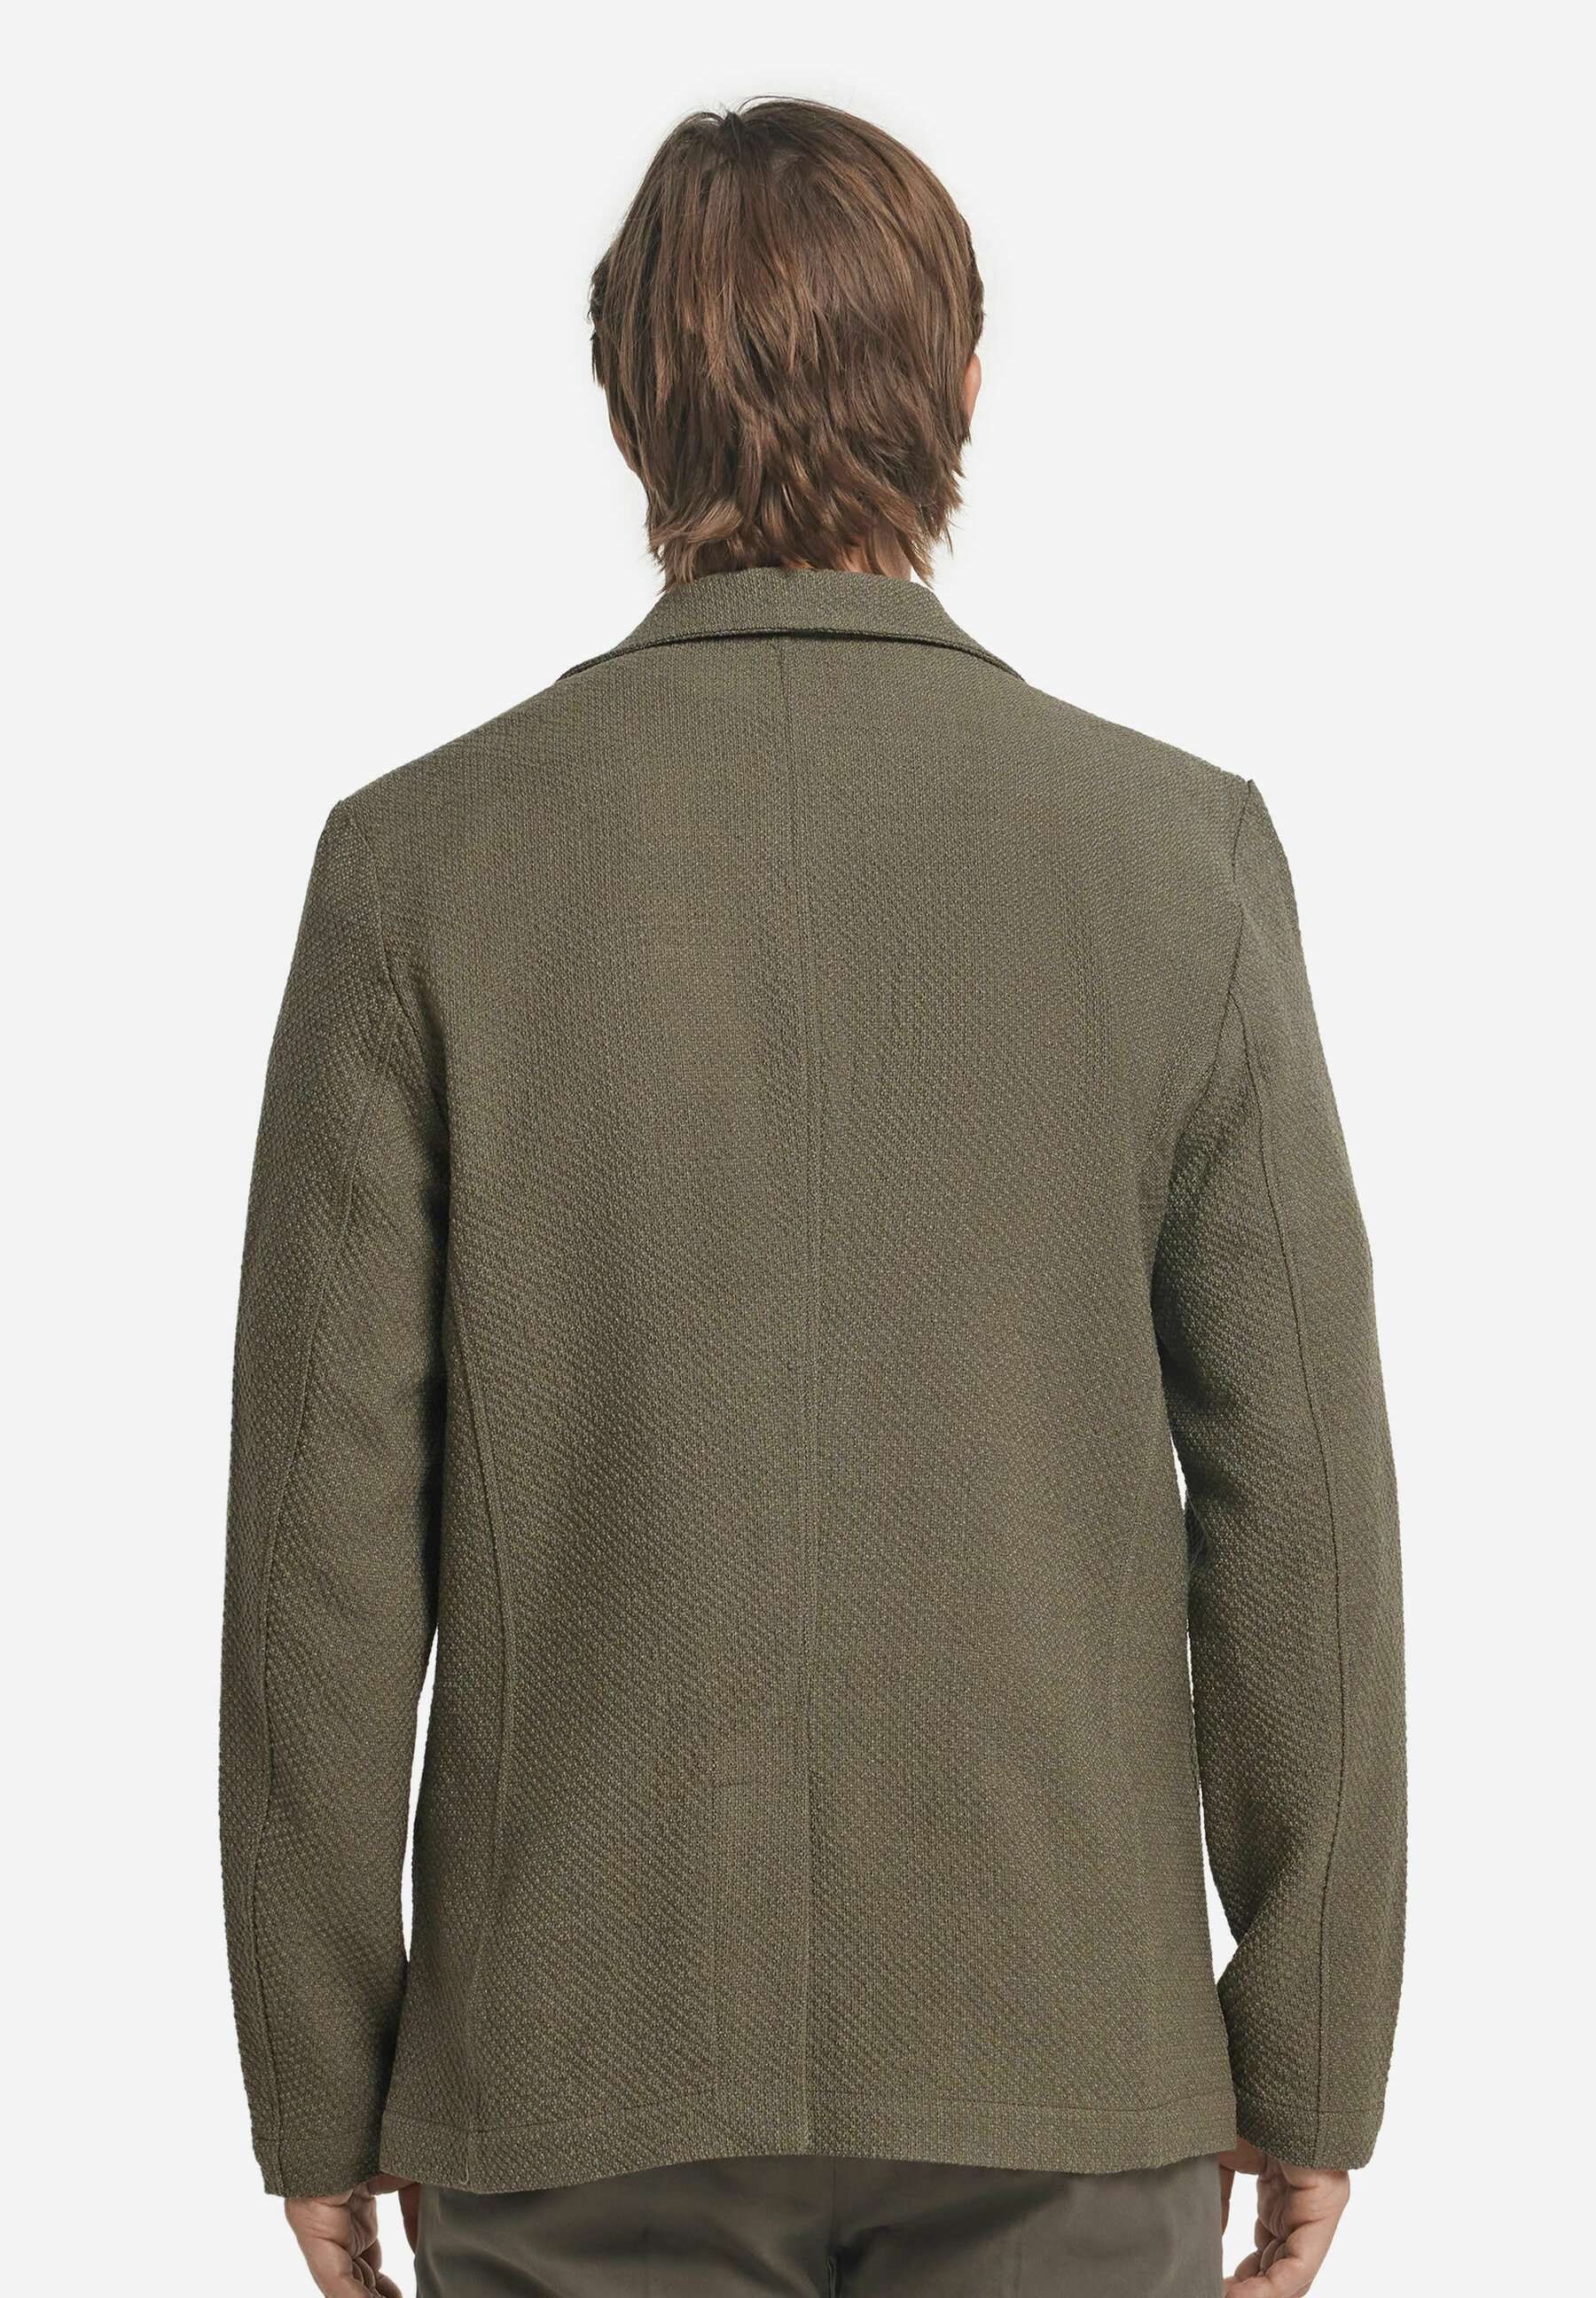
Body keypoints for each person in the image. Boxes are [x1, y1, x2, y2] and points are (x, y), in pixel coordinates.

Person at [220, 98, 1405, 2298]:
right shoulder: (1176, 859)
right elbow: (1300, 1517)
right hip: (1065, 2067)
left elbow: (321, 1555)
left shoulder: (419, 870)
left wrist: (317, 2081)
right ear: (965, 389)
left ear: (625, 407)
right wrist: (1315, 2050)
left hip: (571, 2083)